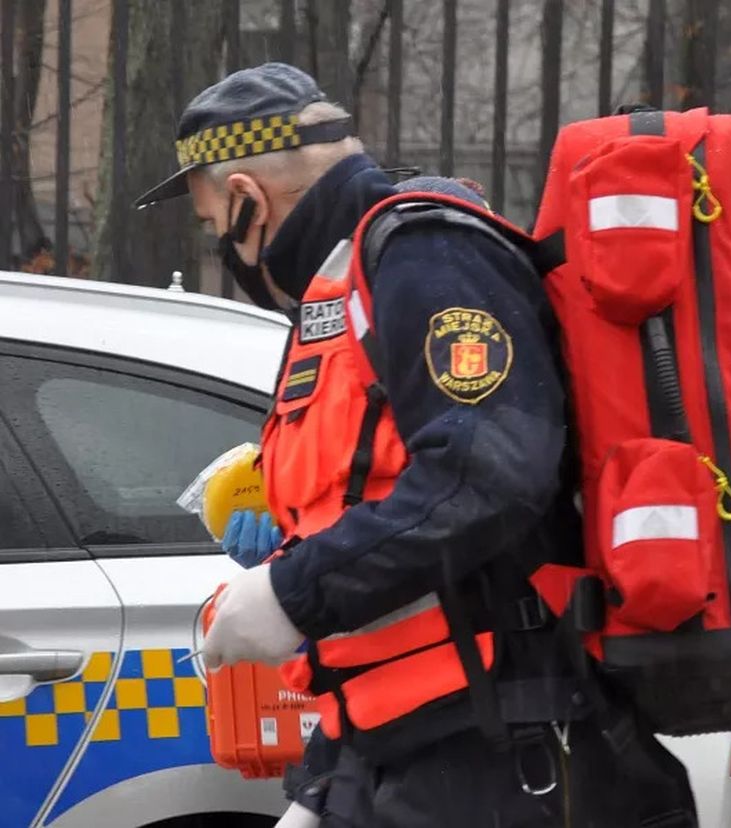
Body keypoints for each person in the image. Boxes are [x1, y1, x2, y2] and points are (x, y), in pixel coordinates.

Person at [135, 62, 697, 828]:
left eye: (211, 226)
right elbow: (379, 492)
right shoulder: (342, 291)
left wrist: (295, 592)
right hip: (397, 750)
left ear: (246, 200)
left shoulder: (425, 257)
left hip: (505, 754)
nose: (221, 248)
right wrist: (324, 783)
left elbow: (485, 475)